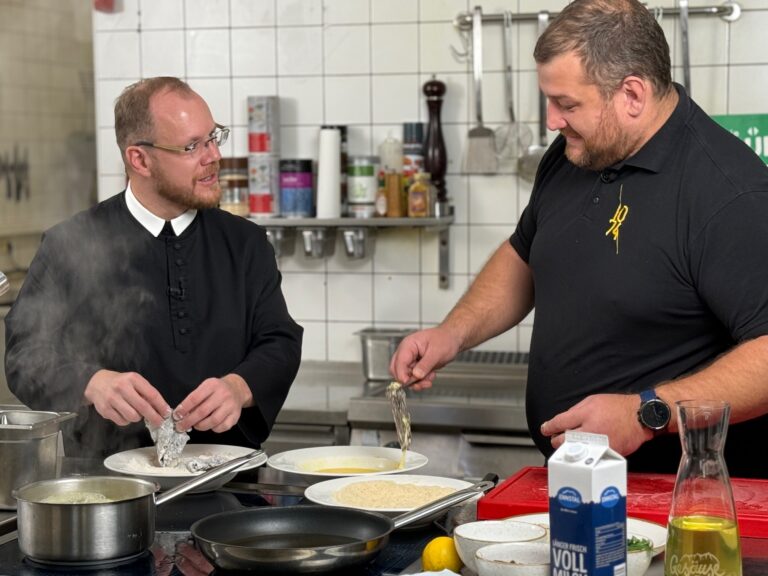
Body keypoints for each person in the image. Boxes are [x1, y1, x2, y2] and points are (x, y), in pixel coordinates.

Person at [391, 0, 768, 478]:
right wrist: (452, 334)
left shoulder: (727, 192)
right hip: (575, 482)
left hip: (678, 498)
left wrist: (645, 413)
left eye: (567, 104)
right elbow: (524, 254)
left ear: (632, 94)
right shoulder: (577, 152)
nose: (551, 120)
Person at [4, 77, 303, 457]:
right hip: (106, 488)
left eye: (213, 137)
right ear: (140, 159)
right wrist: (90, 382)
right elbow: (24, 353)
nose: (213, 156)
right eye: (192, 146)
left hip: (228, 482)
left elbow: (279, 342)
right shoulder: (69, 244)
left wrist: (239, 387)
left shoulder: (246, 243)